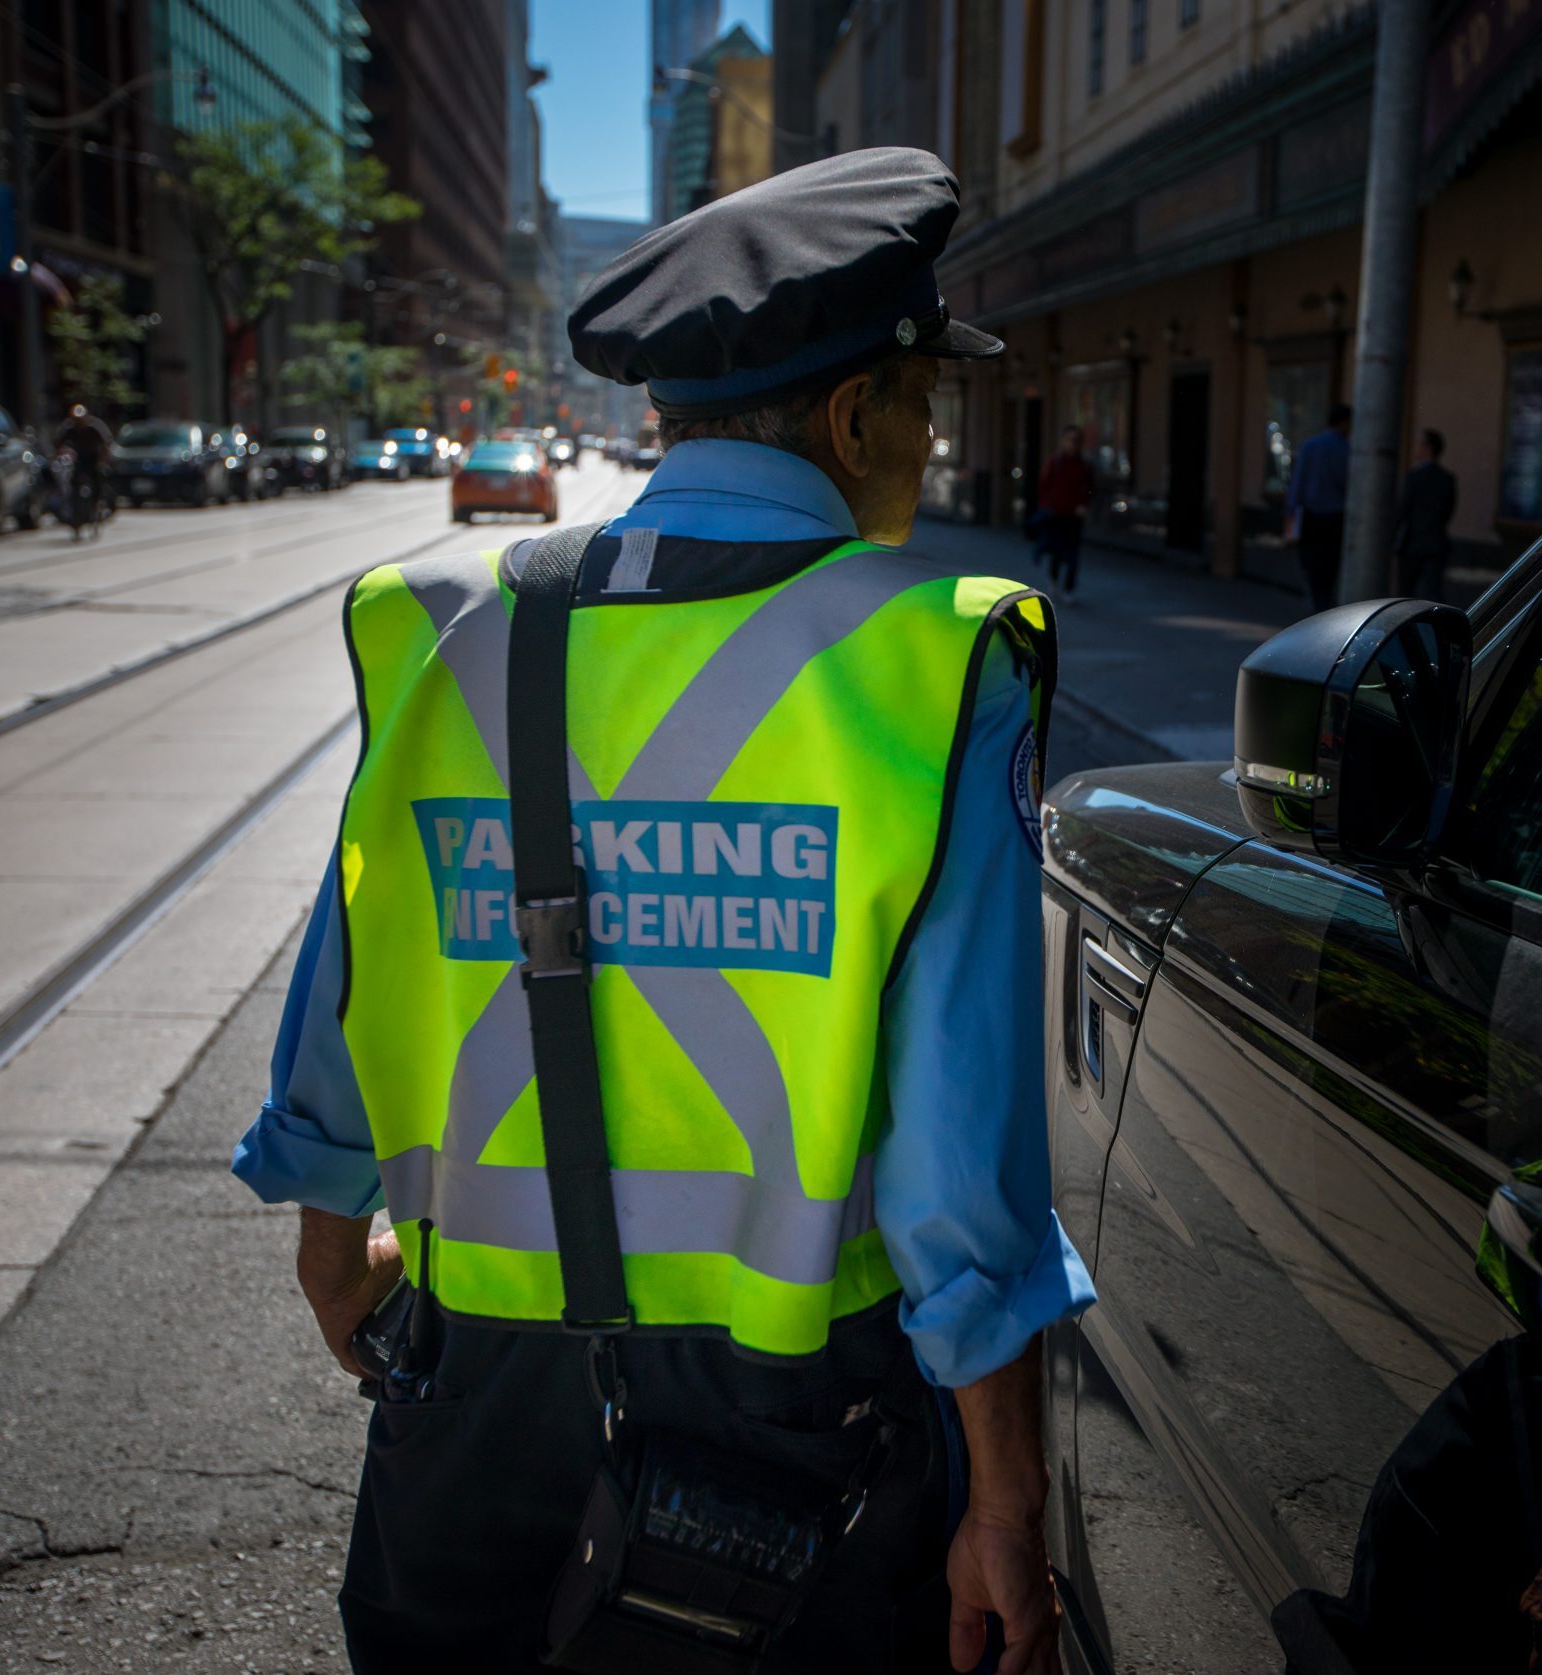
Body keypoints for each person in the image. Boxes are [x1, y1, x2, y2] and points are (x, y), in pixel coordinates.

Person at [230, 147, 1095, 1675]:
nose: (929, 433)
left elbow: (352, 980)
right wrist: (1008, 1494)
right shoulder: (929, 662)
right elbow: (960, 1162)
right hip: (796, 1436)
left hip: (468, 1398)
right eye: (921, 397)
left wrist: (329, 1245)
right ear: (851, 415)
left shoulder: (447, 631)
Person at [1287, 404, 1352, 611]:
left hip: (1312, 516)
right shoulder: (1347, 449)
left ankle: (1317, 606)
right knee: (1330, 568)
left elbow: (1298, 484)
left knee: (1312, 568)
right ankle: (1324, 606)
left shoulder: (1310, 446)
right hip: (1335, 516)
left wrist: (1290, 514)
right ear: (1344, 423)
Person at [1394, 428, 1457, 602]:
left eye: (1419, 444)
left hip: (1413, 542)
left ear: (1428, 448)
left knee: (1406, 593)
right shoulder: (1446, 478)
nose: (1416, 448)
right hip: (1436, 541)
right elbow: (1448, 510)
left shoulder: (1414, 477)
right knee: (1433, 591)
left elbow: (1403, 510)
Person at [1036, 425, 1091, 602]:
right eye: (1069, 440)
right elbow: (1044, 486)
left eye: (1075, 441)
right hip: (1056, 514)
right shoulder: (1055, 462)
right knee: (1056, 551)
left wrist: (1083, 505)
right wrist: (1047, 506)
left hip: (1074, 516)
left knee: (1073, 553)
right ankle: (1053, 580)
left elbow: (1089, 488)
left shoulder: (1083, 465)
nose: (1072, 444)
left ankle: (1068, 588)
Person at [56, 404, 113, 532]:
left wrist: (104, 459)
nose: (78, 423)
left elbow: (106, 443)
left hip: (93, 458)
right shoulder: (69, 428)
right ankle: (76, 511)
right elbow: (58, 442)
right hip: (79, 458)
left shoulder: (94, 427)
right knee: (74, 481)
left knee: (98, 480)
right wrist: (59, 453)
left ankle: (98, 504)